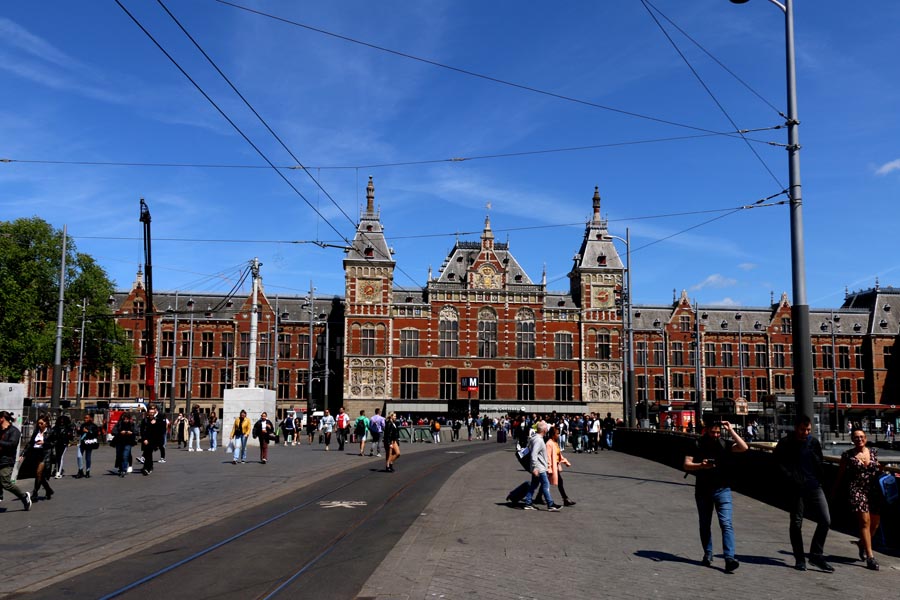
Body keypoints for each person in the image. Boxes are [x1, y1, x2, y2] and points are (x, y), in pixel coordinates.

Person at [683, 419, 748, 573]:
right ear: (706, 430)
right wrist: (701, 465)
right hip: (703, 490)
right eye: (713, 432)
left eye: (718, 432)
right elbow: (686, 464)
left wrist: (730, 430)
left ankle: (729, 558)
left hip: (723, 489)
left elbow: (744, 447)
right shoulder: (697, 444)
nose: (716, 435)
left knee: (726, 524)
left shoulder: (724, 444)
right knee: (705, 524)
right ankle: (708, 553)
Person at [774, 416, 834, 572]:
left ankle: (816, 555)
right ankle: (800, 559)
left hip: (814, 486)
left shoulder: (813, 443)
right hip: (795, 488)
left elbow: (819, 462)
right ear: (796, 428)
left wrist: (820, 479)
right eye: (802, 429)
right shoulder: (786, 443)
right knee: (796, 523)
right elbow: (778, 464)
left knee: (825, 520)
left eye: (808, 430)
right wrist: (791, 477)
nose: (805, 433)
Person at [833, 428, 883, 570]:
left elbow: (878, 468)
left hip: (873, 491)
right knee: (865, 522)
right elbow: (840, 474)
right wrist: (834, 491)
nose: (859, 439)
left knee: (875, 524)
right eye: (856, 437)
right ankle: (870, 557)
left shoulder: (873, 452)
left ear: (865, 438)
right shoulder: (848, 455)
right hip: (857, 490)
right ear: (852, 440)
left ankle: (862, 544)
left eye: (861, 437)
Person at [506, 421, 561, 511]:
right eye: (546, 428)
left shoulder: (535, 438)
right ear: (544, 430)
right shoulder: (538, 440)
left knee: (534, 485)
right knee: (545, 484)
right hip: (539, 467)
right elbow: (534, 454)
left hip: (538, 466)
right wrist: (535, 467)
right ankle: (550, 504)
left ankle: (528, 503)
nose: (548, 429)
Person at [19, 414, 56, 501]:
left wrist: (44, 443)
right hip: (35, 454)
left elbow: (54, 443)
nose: (40, 425)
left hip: (45, 454)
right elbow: (30, 443)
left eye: (41, 423)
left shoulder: (51, 431)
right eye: (38, 423)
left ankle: (35, 493)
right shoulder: (36, 431)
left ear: (46, 423)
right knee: (39, 474)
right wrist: (23, 454)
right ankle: (48, 490)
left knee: (39, 473)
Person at [0, 411, 32, 510]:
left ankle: (24, 497)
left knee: (6, 483)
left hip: (6, 461)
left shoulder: (14, 431)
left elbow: (12, 444)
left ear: (2, 419)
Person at [547, 426, 575, 507]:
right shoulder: (549, 443)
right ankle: (565, 499)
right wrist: (549, 468)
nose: (558, 435)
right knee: (556, 481)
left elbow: (559, 455)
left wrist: (565, 461)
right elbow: (548, 457)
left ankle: (538, 496)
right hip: (552, 466)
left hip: (555, 465)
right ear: (552, 434)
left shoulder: (555, 443)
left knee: (546, 482)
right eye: (557, 433)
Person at [139, 406, 166, 476]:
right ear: (148, 413)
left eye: (152, 412)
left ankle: (147, 468)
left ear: (154, 413)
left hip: (153, 440)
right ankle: (148, 467)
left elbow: (162, 430)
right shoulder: (145, 420)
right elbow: (142, 430)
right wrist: (144, 439)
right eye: (150, 412)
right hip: (146, 439)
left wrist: (156, 423)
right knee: (147, 453)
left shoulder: (158, 420)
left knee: (149, 453)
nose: (151, 414)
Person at [74, 413, 100, 478]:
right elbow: (79, 433)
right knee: (79, 456)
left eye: (87, 418)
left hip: (89, 443)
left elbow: (95, 434)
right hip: (82, 443)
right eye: (85, 418)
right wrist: (78, 430)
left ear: (90, 418)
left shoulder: (93, 426)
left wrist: (88, 431)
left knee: (88, 458)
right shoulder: (83, 425)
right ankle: (80, 470)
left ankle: (88, 471)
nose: (85, 419)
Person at [111, 412, 137, 477]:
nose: (126, 420)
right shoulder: (119, 423)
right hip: (119, 441)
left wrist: (131, 433)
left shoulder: (132, 424)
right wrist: (120, 432)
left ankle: (124, 470)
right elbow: (113, 431)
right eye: (124, 419)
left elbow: (136, 431)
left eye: (127, 419)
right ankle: (120, 468)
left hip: (128, 441)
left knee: (125, 455)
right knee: (119, 455)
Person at [51, 410, 72, 478]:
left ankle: (58, 472)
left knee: (60, 457)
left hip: (64, 444)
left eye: (63, 421)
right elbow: (52, 435)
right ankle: (57, 469)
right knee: (57, 457)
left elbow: (71, 437)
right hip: (56, 444)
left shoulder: (68, 428)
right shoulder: (56, 428)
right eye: (61, 421)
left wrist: (68, 440)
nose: (62, 423)